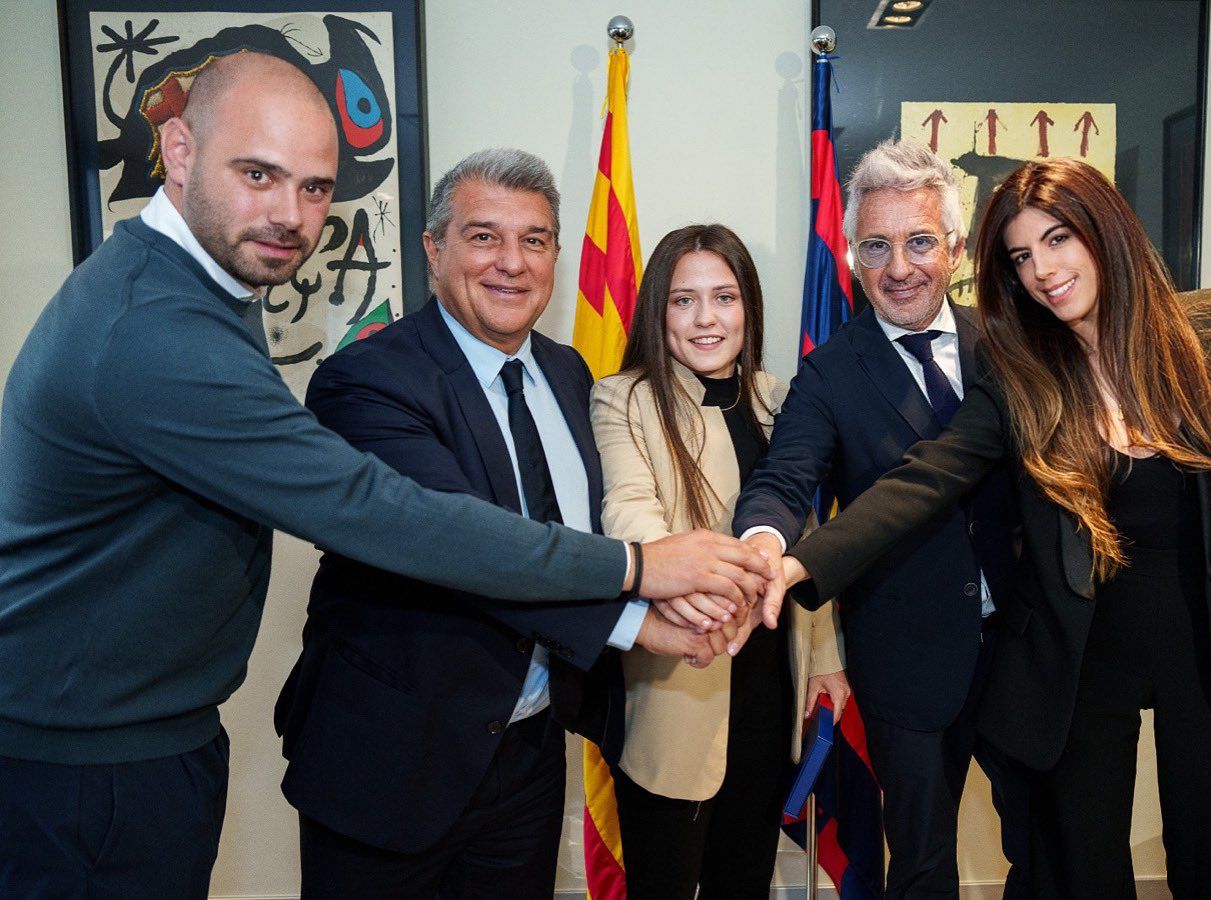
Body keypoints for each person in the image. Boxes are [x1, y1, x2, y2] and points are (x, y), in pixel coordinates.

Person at [0, 54, 769, 900]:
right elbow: (408, 523)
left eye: (314, 188)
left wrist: (652, 608)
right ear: (178, 150)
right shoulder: (190, 337)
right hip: (222, 767)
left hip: (508, 751)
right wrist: (638, 575)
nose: (288, 213)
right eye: (257, 174)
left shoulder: (564, 372)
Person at [774, 157, 1211, 898]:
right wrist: (796, 566)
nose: (1043, 271)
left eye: (1058, 240)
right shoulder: (1026, 373)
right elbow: (924, 479)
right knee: (1082, 875)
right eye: (1022, 257)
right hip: (1083, 664)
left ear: (1104, 230)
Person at [274, 149, 733, 898]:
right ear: (434, 249)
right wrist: (639, 602)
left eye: (534, 240)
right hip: (391, 759)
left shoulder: (569, 373)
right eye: (484, 236)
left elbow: (589, 523)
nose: (512, 263)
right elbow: (467, 549)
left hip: (529, 751)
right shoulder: (366, 381)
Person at [732, 140, 1030, 898]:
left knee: (1046, 844)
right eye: (876, 246)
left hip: (1027, 645)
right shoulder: (829, 372)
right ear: (851, 256)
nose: (899, 268)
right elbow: (784, 477)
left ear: (955, 249)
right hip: (906, 658)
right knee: (922, 863)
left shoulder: (1011, 345)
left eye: (919, 242)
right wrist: (763, 540)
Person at [590, 223, 848, 898]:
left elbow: (808, 532)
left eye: (724, 297)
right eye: (684, 300)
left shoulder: (778, 397)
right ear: (658, 310)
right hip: (680, 678)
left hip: (772, 682)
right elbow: (629, 509)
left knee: (745, 877)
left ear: (748, 308)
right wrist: (685, 589)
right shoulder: (624, 398)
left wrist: (825, 657)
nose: (706, 318)